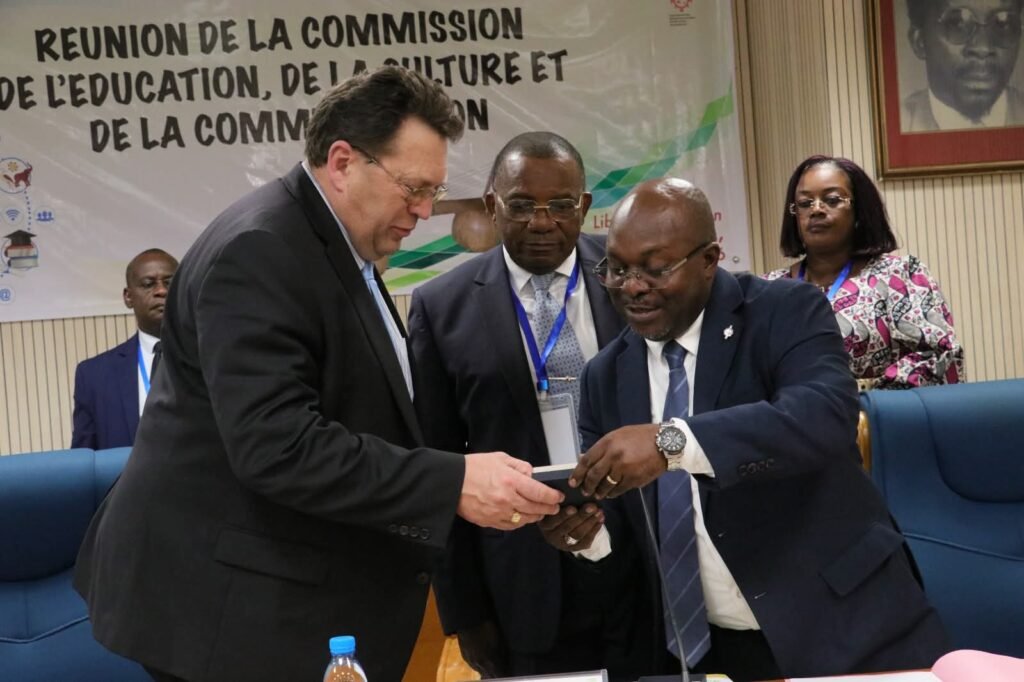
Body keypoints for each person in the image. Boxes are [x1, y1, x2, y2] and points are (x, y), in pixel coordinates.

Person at [73, 66, 562, 682]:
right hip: (224, 609)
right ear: (342, 162)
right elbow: (277, 446)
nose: (424, 210)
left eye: (434, 191)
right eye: (413, 188)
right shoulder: (262, 251)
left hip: (281, 590)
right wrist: (451, 482)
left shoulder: (330, 239)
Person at [560, 178, 950, 681]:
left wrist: (669, 442)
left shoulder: (785, 310)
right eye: (617, 269)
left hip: (843, 625)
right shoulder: (605, 376)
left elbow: (823, 415)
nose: (632, 287)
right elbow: (623, 524)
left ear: (709, 259)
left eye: (656, 268)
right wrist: (588, 535)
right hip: (710, 648)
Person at [409, 132, 643, 679]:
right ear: (492, 205)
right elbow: (439, 463)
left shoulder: (632, 279)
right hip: (519, 582)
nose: (542, 222)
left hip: (642, 559)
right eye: (520, 205)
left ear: (584, 206)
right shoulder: (441, 307)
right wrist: (465, 611)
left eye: (560, 205)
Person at [765, 155, 964, 390]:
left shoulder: (898, 277)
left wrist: (862, 398)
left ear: (859, 211)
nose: (816, 209)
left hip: (875, 410)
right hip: (785, 412)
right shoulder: (768, 290)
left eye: (832, 199)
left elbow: (937, 356)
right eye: (805, 203)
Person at [71, 248, 178, 449]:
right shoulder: (94, 375)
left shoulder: (210, 360)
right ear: (128, 297)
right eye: (148, 284)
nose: (161, 291)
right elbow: (84, 457)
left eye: (169, 283)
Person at [902, 0, 1024, 131]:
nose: (983, 48)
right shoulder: (896, 124)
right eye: (957, 24)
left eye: (1003, 24)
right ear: (919, 41)